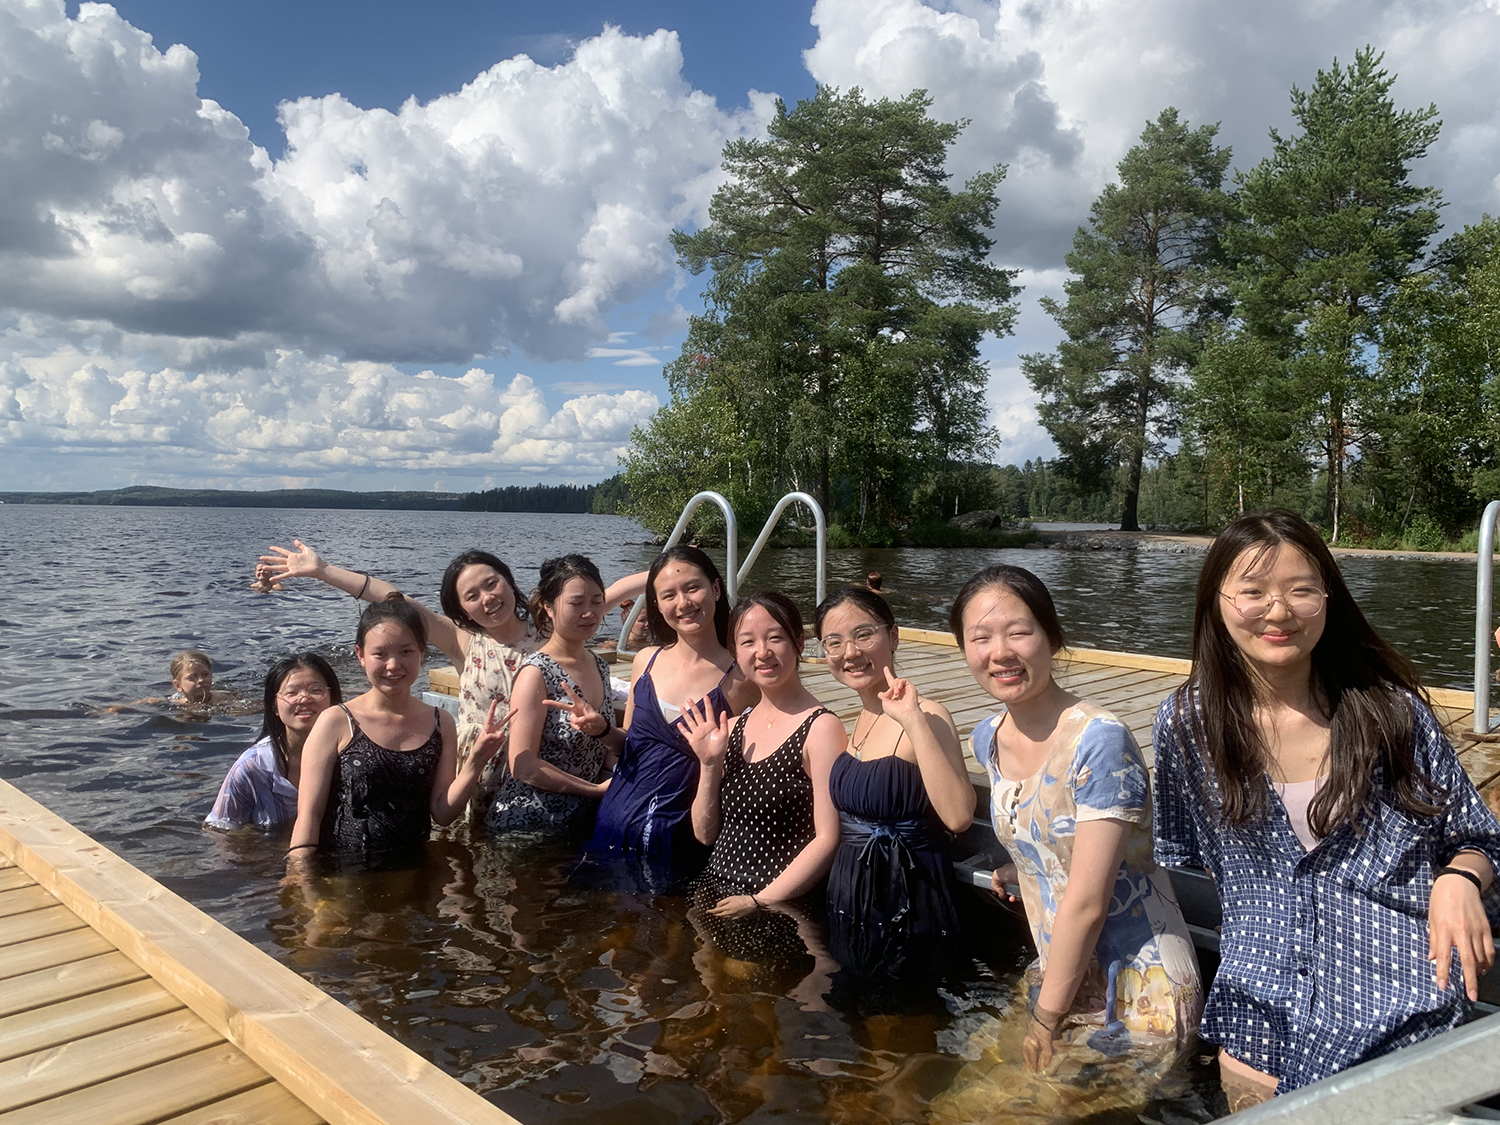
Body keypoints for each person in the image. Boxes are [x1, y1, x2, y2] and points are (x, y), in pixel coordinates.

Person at [1153, 510, 1500, 1108]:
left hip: (1400, 1022)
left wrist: (1460, 877)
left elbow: (1482, 838)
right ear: (1216, 600)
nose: (1279, 611)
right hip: (1260, 1023)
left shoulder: (1390, 713)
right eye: (1253, 591)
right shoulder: (1187, 725)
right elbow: (1189, 854)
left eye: (1301, 590)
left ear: (1329, 598)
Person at [958, 565, 1201, 1069]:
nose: (1000, 652)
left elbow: (1088, 902)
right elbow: (1052, 835)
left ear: (1052, 636)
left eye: (1019, 632)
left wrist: (1044, 1021)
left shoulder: (1100, 742)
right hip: (1063, 973)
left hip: (1136, 990)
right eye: (980, 637)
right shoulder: (988, 738)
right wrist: (1025, 863)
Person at [260, 539, 644, 806]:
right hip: (482, 771)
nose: (488, 598)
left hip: (542, 768)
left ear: (508, 582)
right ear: (461, 609)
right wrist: (323, 571)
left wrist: (667, 569)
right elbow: (393, 599)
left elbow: (607, 594)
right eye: (472, 595)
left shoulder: (549, 628)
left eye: (491, 583)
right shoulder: (464, 641)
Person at [812, 586, 973, 990]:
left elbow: (958, 815)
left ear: (894, 636)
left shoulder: (928, 715)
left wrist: (912, 719)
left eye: (864, 635)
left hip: (908, 899)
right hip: (851, 898)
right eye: (835, 642)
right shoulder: (858, 720)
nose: (850, 652)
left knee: (903, 1033)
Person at [287, 595, 512, 868]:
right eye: (380, 654)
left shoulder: (441, 722)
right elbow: (309, 816)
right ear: (360, 655)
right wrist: (301, 880)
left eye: (406, 652)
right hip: (344, 872)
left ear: (422, 653)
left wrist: (476, 760)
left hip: (414, 869)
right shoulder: (335, 721)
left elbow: (442, 813)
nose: (393, 665)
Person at [681, 592, 845, 962]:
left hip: (776, 903)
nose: (762, 652)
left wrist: (760, 901)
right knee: (706, 993)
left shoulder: (820, 728)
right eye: (748, 642)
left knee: (751, 999)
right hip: (715, 890)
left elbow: (828, 838)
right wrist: (708, 765)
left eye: (775, 638)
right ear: (735, 653)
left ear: (798, 643)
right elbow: (705, 834)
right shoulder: (734, 727)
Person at [586, 546, 758, 887]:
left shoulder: (742, 678)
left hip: (681, 841)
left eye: (692, 588)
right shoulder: (645, 662)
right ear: (657, 604)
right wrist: (602, 729)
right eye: (668, 595)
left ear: (716, 589)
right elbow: (631, 746)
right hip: (613, 827)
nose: (683, 603)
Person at [486, 555, 621, 836]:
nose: (589, 612)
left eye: (597, 601)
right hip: (527, 823)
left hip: (580, 819)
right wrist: (594, 791)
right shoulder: (536, 672)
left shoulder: (600, 665)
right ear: (548, 607)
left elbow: (604, 751)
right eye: (576, 603)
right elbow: (522, 765)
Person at [205, 653, 342, 830]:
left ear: (333, 698)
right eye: (291, 693)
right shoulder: (253, 767)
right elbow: (220, 830)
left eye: (316, 690)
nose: (304, 698)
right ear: (274, 707)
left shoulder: (352, 757)